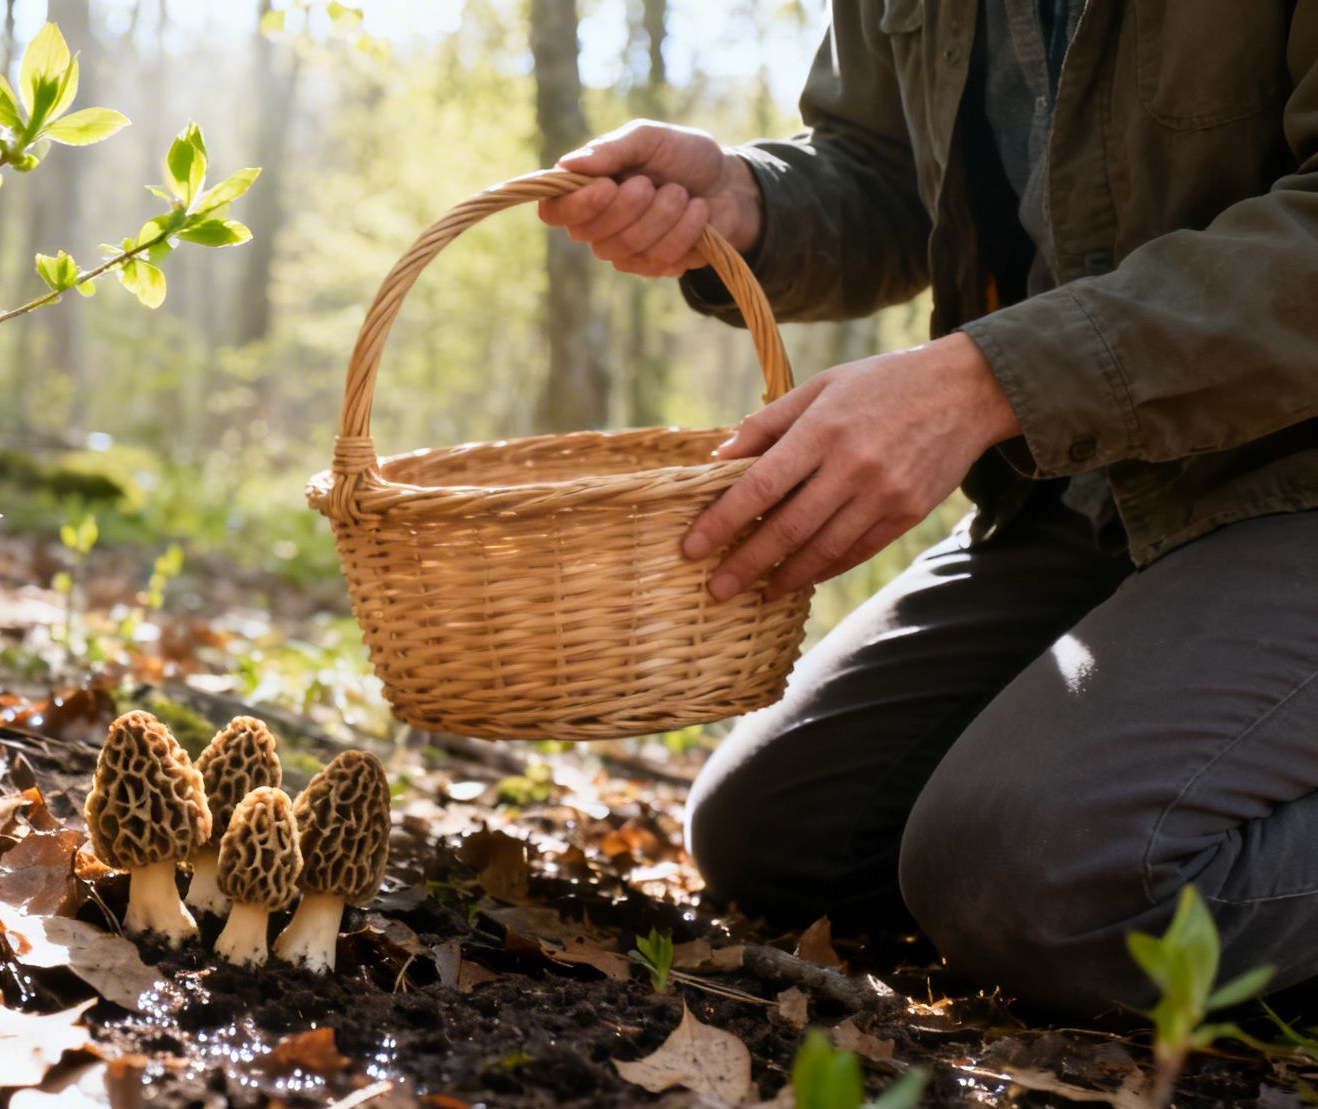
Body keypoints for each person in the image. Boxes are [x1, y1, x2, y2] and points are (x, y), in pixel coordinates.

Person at [539, 0, 1318, 1017]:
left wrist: (982, 383)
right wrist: (746, 199)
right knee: (780, 838)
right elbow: (887, 170)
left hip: (1289, 472)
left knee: (1042, 873)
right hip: (1099, 480)